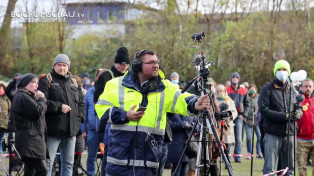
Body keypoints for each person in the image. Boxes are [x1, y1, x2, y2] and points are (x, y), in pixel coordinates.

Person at [95, 49, 211, 176]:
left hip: (149, 161)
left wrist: (195, 103)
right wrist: (125, 115)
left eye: (157, 62)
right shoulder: (115, 85)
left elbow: (182, 98)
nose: (156, 65)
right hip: (120, 162)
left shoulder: (165, 87)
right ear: (138, 66)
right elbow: (101, 110)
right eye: (150, 62)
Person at [38, 54, 85, 176]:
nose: (62, 68)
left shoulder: (74, 82)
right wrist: (59, 107)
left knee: (69, 164)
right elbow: (41, 102)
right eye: (59, 65)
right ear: (54, 66)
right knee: (48, 163)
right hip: (53, 131)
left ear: (68, 67)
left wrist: (80, 118)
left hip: (71, 131)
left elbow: (81, 103)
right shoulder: (46, 80)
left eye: (64, 65)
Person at [258, 60, 302, 175]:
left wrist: (298, 113)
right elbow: (264, 110)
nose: (282, 72)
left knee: (289, 169)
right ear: (275, 71)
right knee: (269, 169)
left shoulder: (293, 89)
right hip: (272, 133)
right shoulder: (267, 88)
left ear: (288, 72)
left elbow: (299, 107)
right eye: (279, 70)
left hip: (290, 134)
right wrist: (285, 116)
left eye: (284, 70)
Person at [94, 47, 130, 175]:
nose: (125, 67)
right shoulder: (106, 76)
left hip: (125, 120)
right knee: (108, 157)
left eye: (127, 64)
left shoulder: (129, 77)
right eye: (122, 64)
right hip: (109, 122)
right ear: (116, 62)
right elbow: (97, 101)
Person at [12, 73, 48, 175]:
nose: (36, 85)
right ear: (25, 84)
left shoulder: (27, 96)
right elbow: (38, 112)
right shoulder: (22, 96)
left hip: (32, 141)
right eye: (33, 82)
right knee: (42, 170)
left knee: (30, 171)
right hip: (29, 142)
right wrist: (41, 99)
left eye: (37, 82)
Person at [83, 68, 106, 176]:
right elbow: (84, 112)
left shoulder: (110, 92)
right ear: (96, 77)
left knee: (107, 157)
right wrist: (83, 129)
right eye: (100, 76)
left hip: (107, 130)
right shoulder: (89, 92)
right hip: (92, 130)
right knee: (91, 157)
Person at [226, 72, 249, 162]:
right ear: (231, 79)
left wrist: (244, 115)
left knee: (238, 138)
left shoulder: (243, 91)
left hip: (239, 116)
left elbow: (248, 104)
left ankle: (237, 156)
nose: (235, 79)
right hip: (229, 116)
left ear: (239, 79)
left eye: (237, 77)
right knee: (227, 137)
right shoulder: (227, 90)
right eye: (233, 77)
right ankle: (226, 155)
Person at [215, 84, 237, 161]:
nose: (221, 92)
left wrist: (230, 115)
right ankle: (218, 158)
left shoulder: (230, 100)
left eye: (223, 91)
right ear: (217, 91)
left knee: (227, 144)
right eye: (220, 91)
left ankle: (227, 160)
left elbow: (234, 112)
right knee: (218, 143)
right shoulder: (215, 100)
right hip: (218, 126)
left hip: (227, 125)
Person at [296, 78, 314, 176]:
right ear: (301, 88)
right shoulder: (297, 100)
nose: (308, 88)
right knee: (302, 168)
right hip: (302, 139)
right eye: (306, 86)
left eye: (310, 86)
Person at [244, 84, 263, 159]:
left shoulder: (259, 97)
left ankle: (259, 152)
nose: (252, 90)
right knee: (249, 137)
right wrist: (244, 116)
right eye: (250, 89)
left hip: (257, 120)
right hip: (248, 120)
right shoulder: (246, 97)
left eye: (253, 89)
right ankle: (249, 153)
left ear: (256, 90)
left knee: (259, 136)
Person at [0, 81, 10, 159]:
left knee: (1, 139)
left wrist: (8, 119)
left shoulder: (7, 99)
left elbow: (10, 110)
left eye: (2, 88)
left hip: (4, 123)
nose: (1, 90)